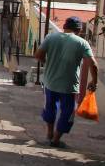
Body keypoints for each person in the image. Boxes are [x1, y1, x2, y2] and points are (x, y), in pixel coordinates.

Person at [33, 16, 98, 148]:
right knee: (67, 113)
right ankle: (56, 140)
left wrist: (48, 63)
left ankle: (49, 134)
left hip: (50, 82)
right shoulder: (82, 43)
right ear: (79, 30)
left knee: (50, 108)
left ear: (64, 27)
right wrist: (94, 81)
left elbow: (38, 55)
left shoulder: (51, 37)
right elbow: (93, 64)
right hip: (69, 86)